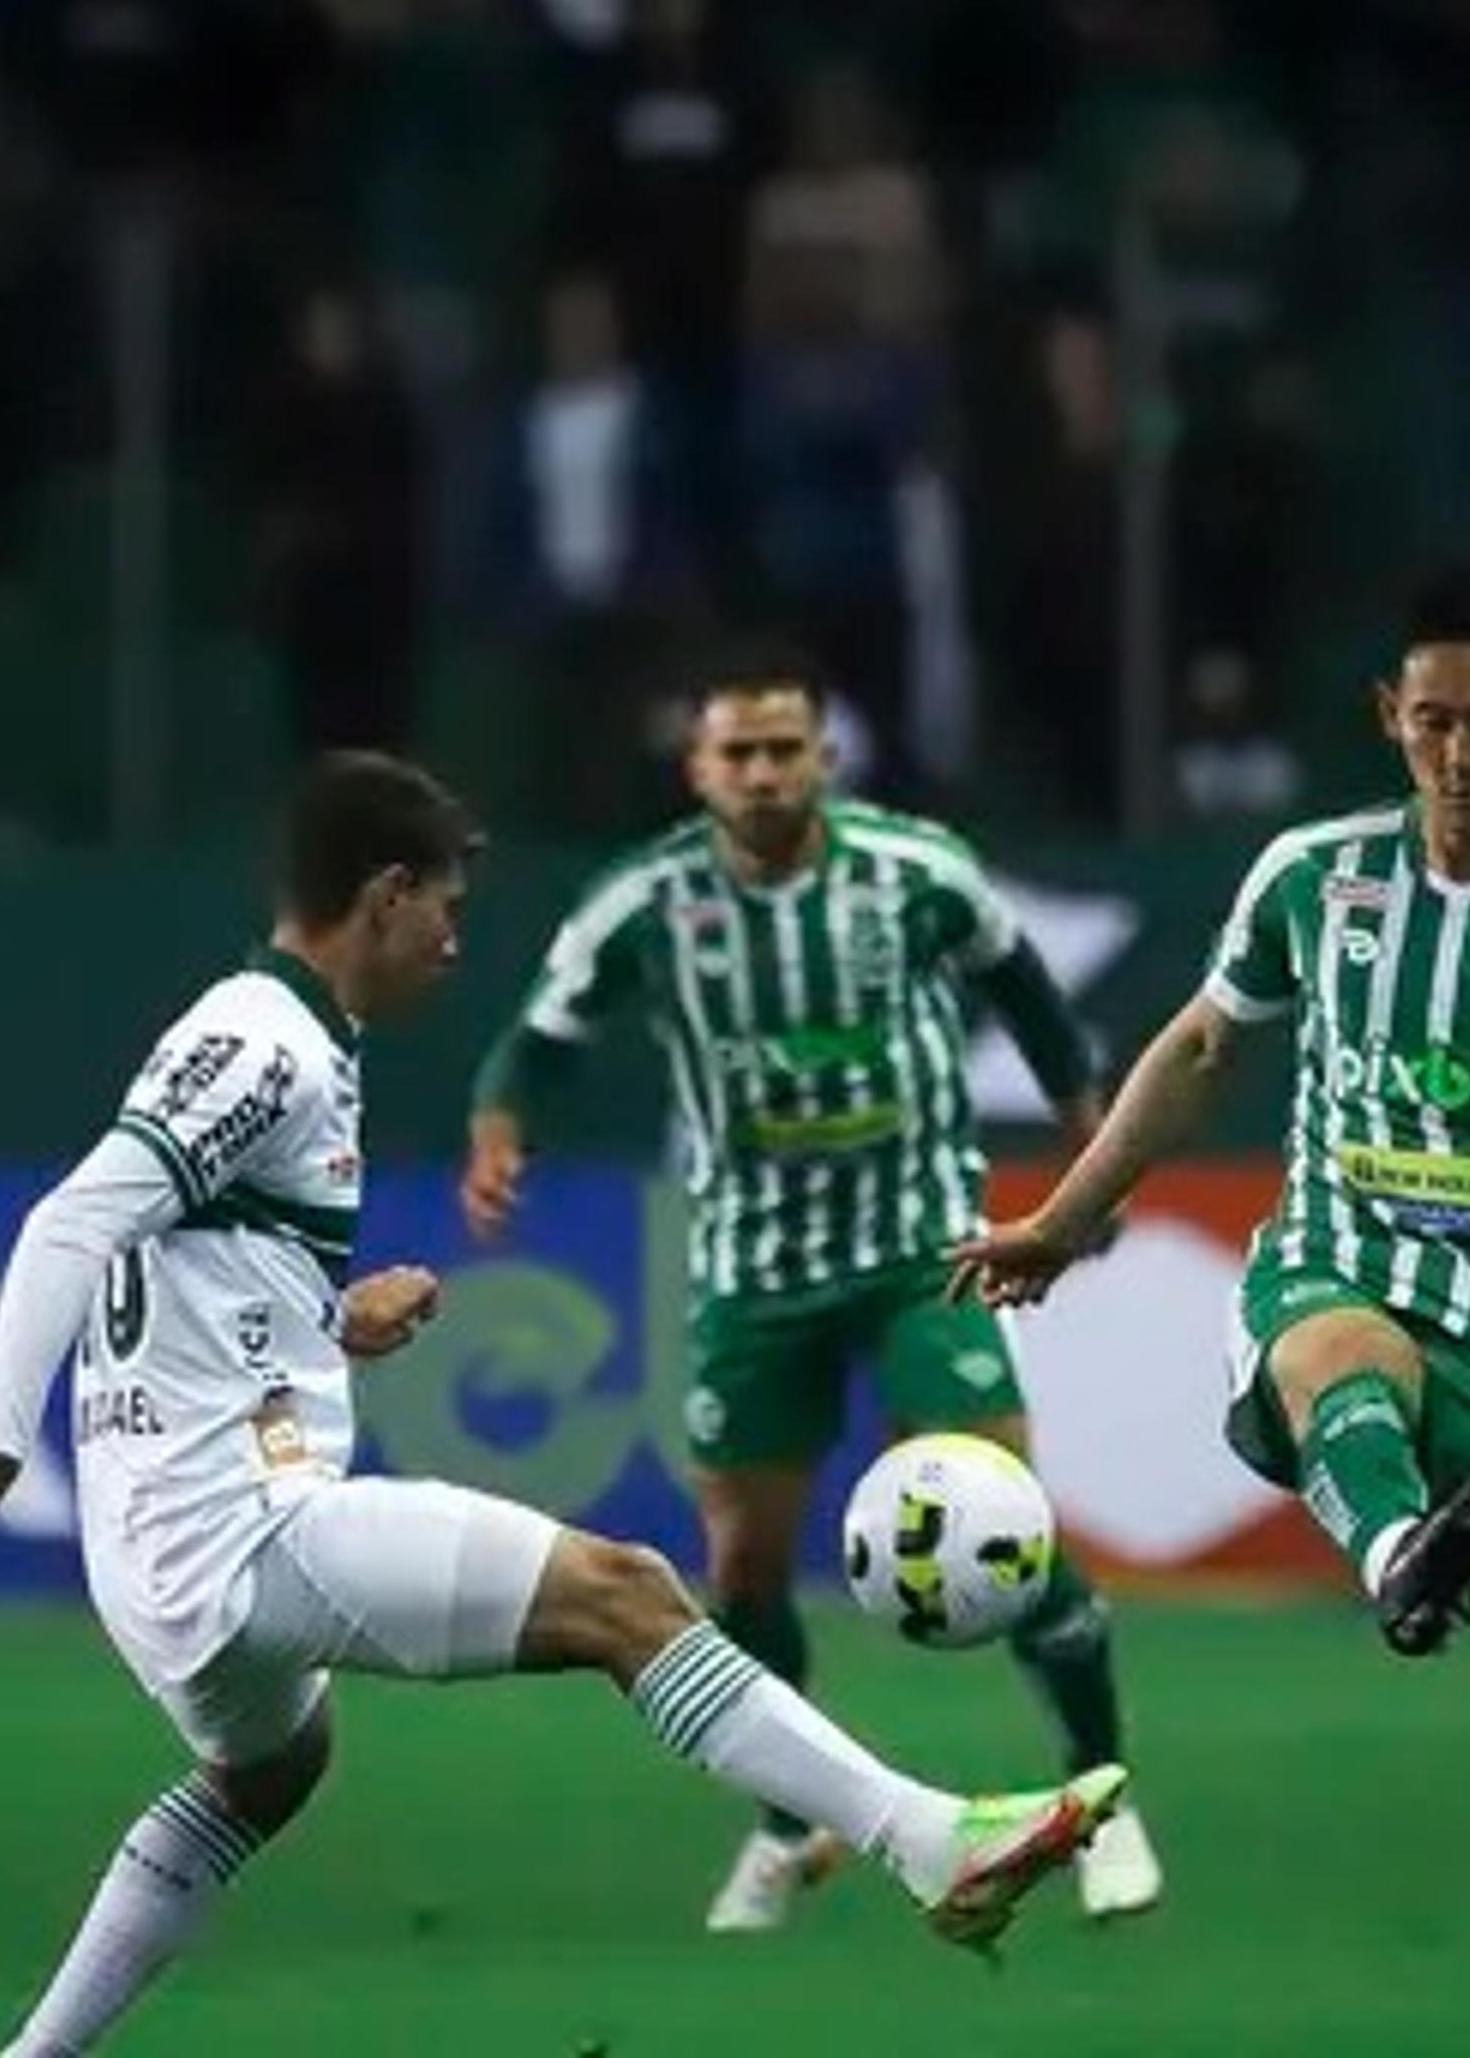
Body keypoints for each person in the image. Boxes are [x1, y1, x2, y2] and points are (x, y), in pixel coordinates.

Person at [0, 751, 1123, 2056]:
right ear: (385, 893)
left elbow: (177, 1256)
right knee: (627, 1594)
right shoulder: (267, 1040)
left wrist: (325, 1321)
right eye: (447, 910)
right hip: (231, 1533)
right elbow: (73, 1222)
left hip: (159, 1557)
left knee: (272, 1772)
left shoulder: (271, 1037)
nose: (455, 941)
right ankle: (928, 1842)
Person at [951, 573, 1470, 2057]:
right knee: (1336, 1349)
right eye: (1428, 720)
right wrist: (1065, 1216)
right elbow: (1196, 1048)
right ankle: (1396, 1551)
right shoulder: (1315, 877)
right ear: (1388, 716)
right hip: (1333, 1262)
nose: (1454, 754)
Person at [462, 640, 1164, 1934]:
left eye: (787, 749)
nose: (766, 773)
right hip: (750, 1272)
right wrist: (501, 1127)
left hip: (921, 1249)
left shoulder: (915, 872)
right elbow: (540, 1036)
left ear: (825, 758)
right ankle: (795, 1821)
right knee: (738, 1567)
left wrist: (1088, 1127)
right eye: (740, 753)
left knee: (1008, 1516)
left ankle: (1102, 1804)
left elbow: (1024, 983)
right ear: (699, 766)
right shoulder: (648, 903)